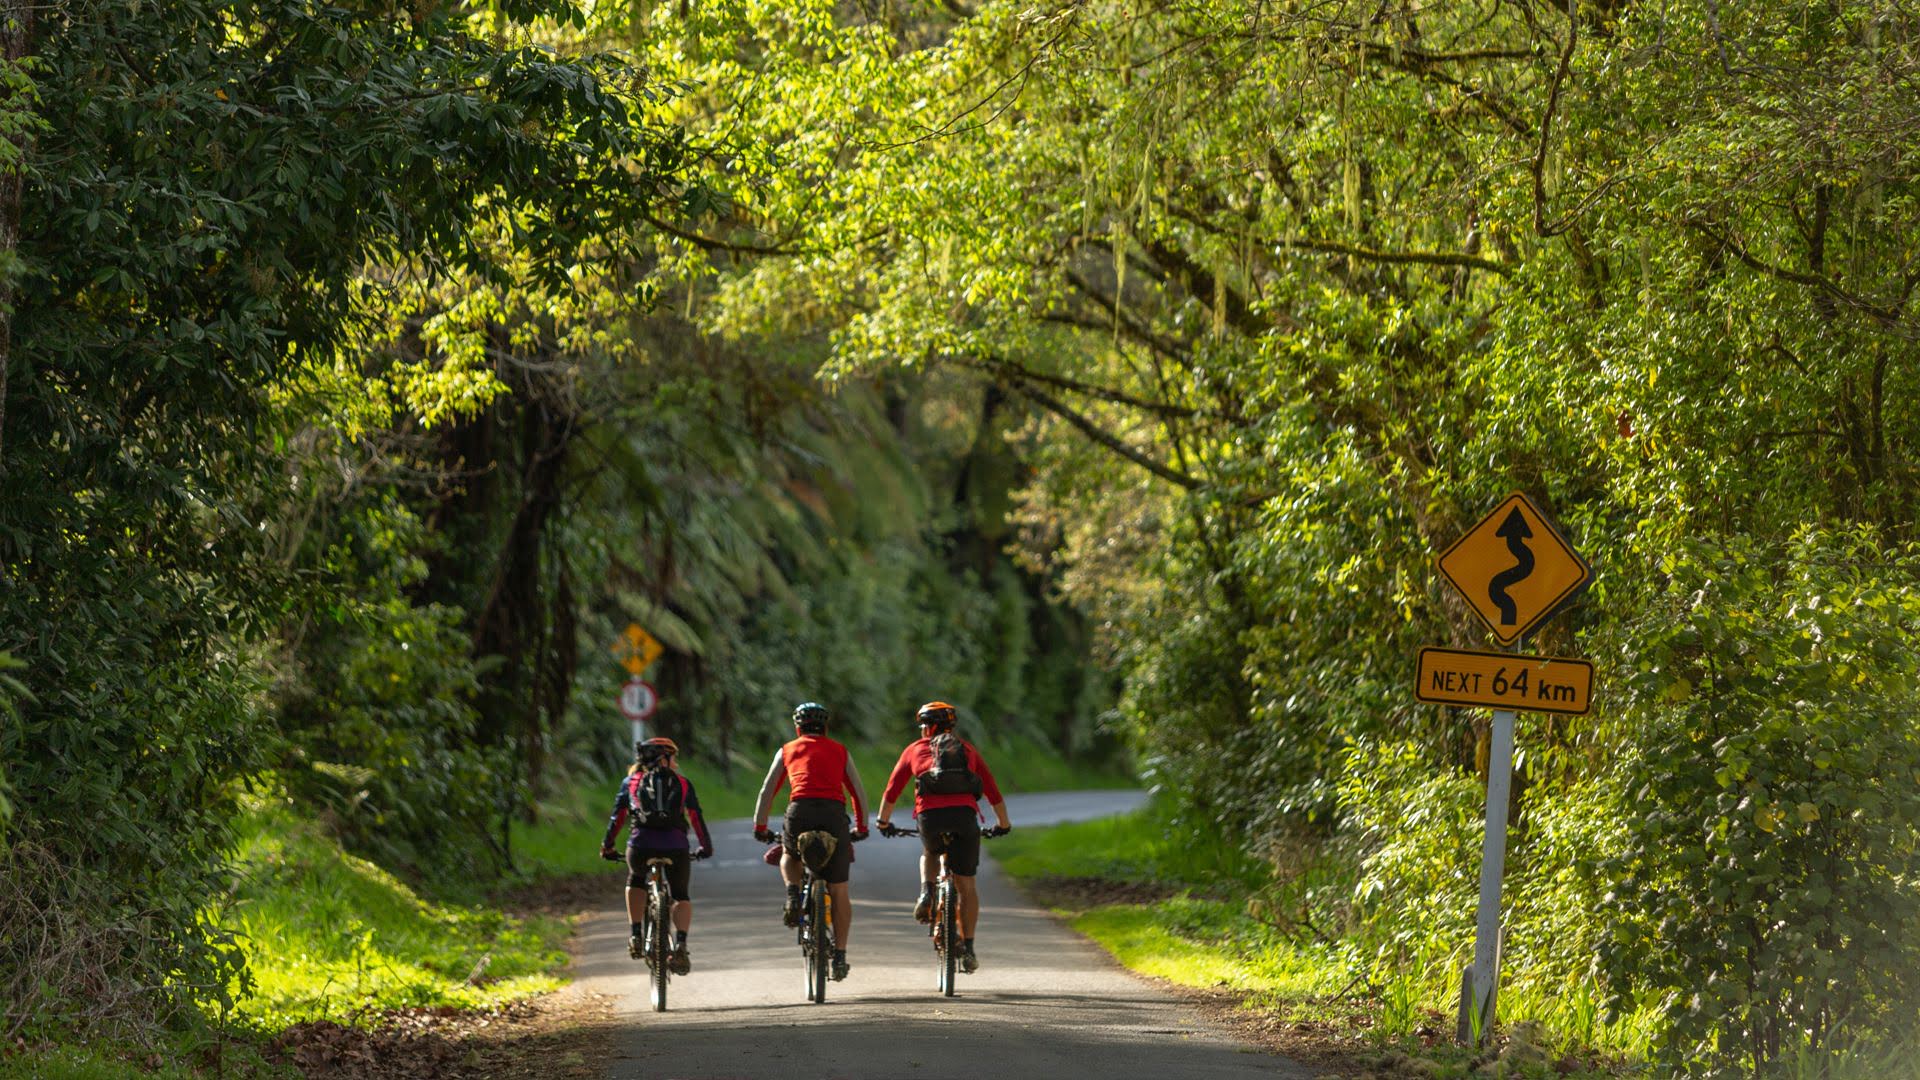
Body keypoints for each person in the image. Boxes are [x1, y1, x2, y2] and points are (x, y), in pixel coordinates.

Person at [875, 701, 1012, 975]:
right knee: (967, 887)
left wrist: (883, 821)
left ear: (929, 726)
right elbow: (991, 789)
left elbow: (892, 789)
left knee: (930, 853)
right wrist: (1003, 823)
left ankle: (927, 892)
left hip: (930, 818)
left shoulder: (915, 749)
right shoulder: (968, 751)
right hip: (964, 819)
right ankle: (969, 947)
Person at [751, 702, 870, 981]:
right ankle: (839, 956)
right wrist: (862, 826)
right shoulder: (840, 750)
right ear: (825, 727)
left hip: (800, 810)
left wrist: (760, 825)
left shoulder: (787, 749)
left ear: (797, 727)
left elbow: (767, 789)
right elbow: (857, 792)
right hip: (833, 814)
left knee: (790, 853)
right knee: (839, 889)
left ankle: (793, 894)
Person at [601, 736, 713, 975]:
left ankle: (636, 935)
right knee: (681, 895)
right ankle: (681, 944)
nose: (675, 763)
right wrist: (705, 847)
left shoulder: (630, 782)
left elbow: (617, 818)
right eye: (674, 757)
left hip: (641, 847)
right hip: (676, 847)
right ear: (665, 757)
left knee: (635, 880)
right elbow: (695, 817)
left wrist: (607, 847)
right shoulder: (682, 783)